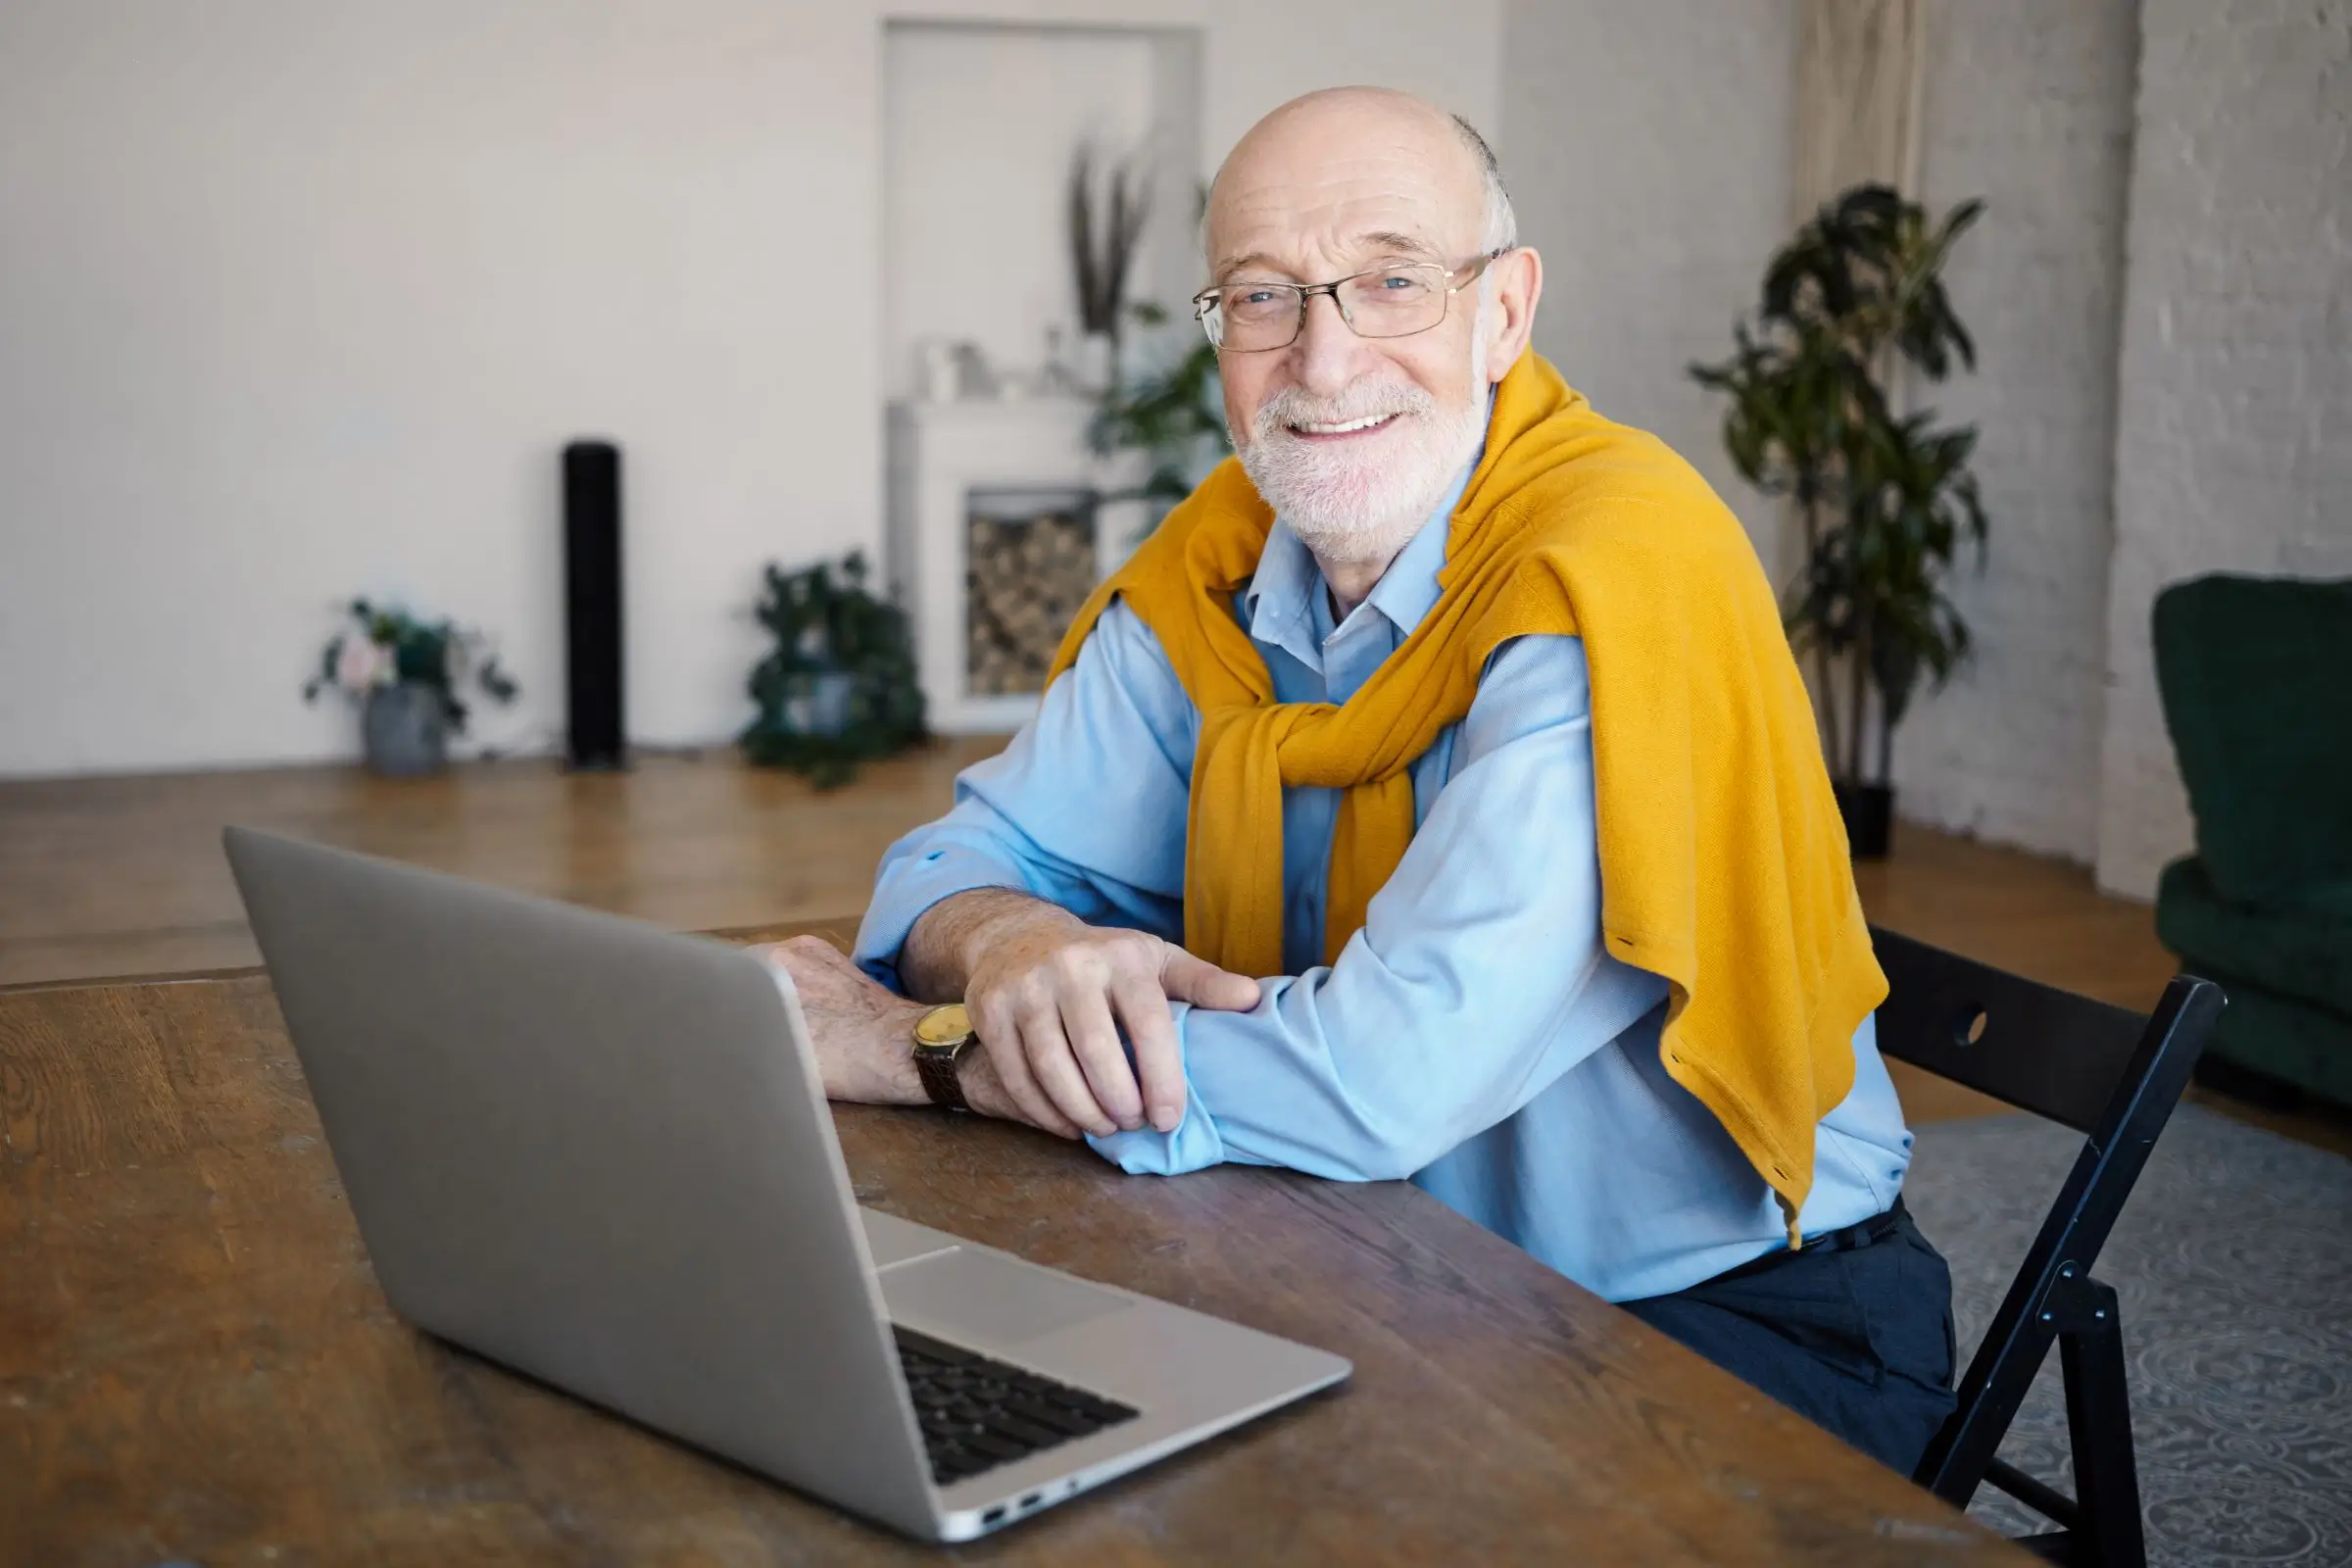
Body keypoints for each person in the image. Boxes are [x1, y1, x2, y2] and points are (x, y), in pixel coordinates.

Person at [760, 86, 1957, 1473]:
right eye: (1263, 299)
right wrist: (1017, 939)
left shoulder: (1616, 577)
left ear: (1503, 313)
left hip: (1725, 1325)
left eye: (1390, 281)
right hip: (1376, 1255)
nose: (1323, 364)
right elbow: (957, 865)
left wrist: (928, 1056)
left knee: (1193, 1499)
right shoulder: (1217, 564)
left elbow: (1378, 1082)